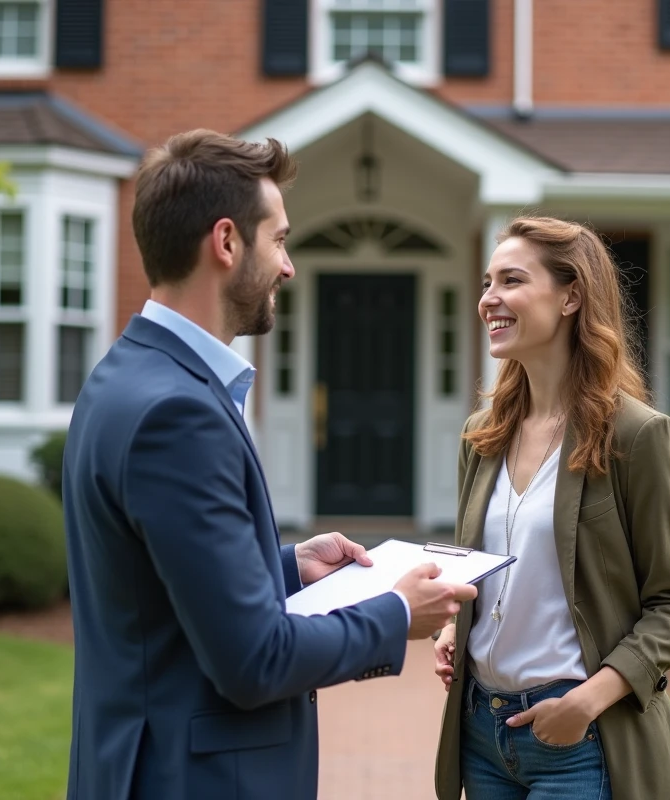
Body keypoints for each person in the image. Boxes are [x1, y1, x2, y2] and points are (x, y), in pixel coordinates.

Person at [61, 129, 477, 800]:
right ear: (226, 243)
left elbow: (150, 597)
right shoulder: (180, 414)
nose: (288, 266)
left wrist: (288, 568)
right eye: (279, 240)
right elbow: (254, 661)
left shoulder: (123, 377)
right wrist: (396, 616)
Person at [431, 217, 670, 800]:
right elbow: (481, 570)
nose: (489, 300)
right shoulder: (480, 436)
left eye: (511, 281)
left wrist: (585, 703)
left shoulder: (635, 436)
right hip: (481, 733)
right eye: (487, 283)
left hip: (576, 743)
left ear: (571, 296)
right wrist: (459, 626)